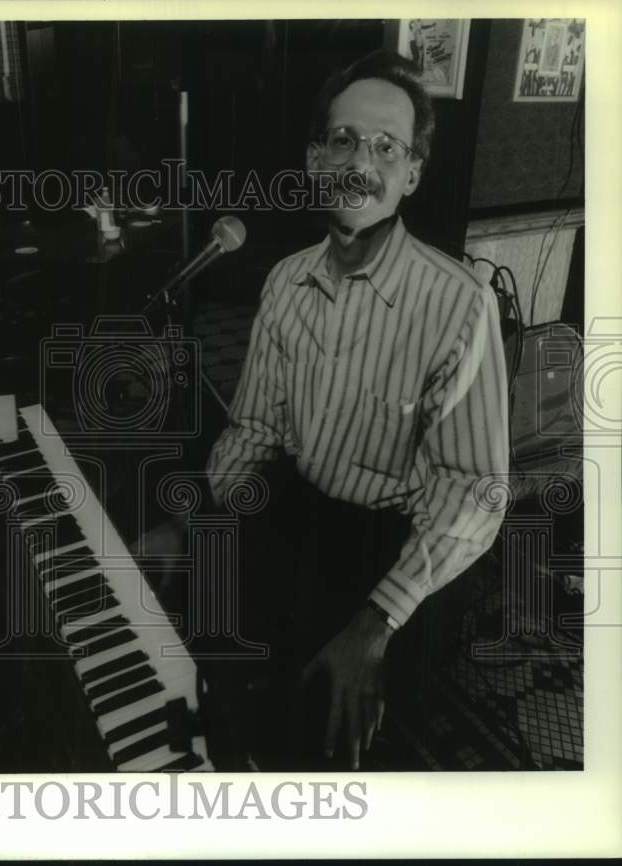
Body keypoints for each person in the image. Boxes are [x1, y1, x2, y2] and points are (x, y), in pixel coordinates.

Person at [145, 50, 510, 771]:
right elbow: (255, 430)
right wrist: (193, 517)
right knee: (208, 659)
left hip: (399, 553)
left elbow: (476, 491)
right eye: (343, 140)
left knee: (331, 746)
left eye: (386, 147)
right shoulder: (284, 283)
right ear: (315, 159)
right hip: (300, 517)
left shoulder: (459, 306)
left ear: (412, 173)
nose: (360, 162)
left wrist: (376, 622)